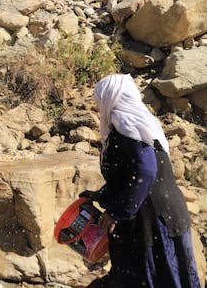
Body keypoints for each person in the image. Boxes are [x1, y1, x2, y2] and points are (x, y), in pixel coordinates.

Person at [80, 74, 200, 288]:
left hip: (152, 220)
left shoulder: (125, 123)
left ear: (109, 99)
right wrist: (101, 195)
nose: (98, 108)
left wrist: (117, 212)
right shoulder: (139, 124)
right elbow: (130, 175)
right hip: (164, 212)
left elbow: (145, 171)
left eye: (99, 101)